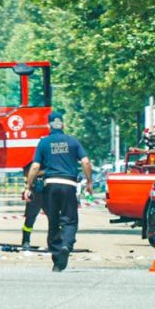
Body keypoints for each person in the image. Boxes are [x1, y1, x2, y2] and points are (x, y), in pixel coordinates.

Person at [23, 110, 92, 272]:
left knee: (53, 221)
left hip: (51, 185)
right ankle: (66, 245)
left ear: (49, 126)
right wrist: (89, 182)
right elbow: (86, 162)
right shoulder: (73, 141)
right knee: (70, 220)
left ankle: (56, 259)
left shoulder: (44, 143)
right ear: (63, 125)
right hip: (69, 184)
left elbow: (35, 166)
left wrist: (28, 187)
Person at [18, 161, 57, 252]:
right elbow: (26, 171)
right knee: (29, 220)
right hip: (35, 194)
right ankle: (25, 241)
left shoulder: (51, 159)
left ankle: (54, 242)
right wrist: (43, 171)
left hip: (48, 194)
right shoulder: (31, 160)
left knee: (53, 220)